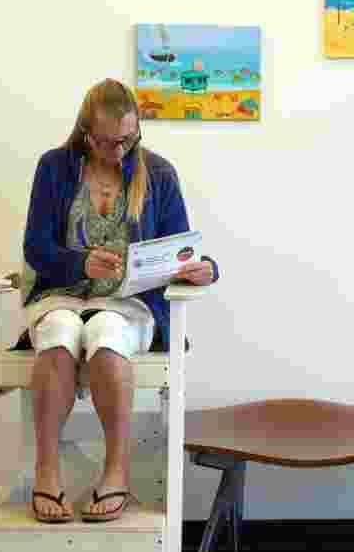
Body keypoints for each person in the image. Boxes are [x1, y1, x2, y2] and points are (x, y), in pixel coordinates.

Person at [18, 78, 219, 523]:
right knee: (60, 331)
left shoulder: (159, 172)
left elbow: (179, 248)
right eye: (108, 142)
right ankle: (46, 471)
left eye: (129, 139)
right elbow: (35, 248)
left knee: (107, 333)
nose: (120, 151)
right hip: (61, 295)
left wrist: (206, 267)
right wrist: (79, 265)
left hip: (130, 304)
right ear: (86, 133)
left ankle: (116, 472)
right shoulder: (54, 167)